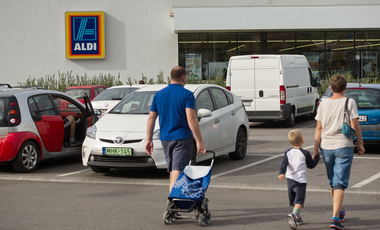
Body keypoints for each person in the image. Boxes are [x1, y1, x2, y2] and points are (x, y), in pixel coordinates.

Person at [314, 74, 365, 230]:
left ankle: (339, 210)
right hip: (344, 145)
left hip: (326, 147)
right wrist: (360, 144)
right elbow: (355, 125)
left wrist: (315, 149)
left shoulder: (322, 104)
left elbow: (319, 128)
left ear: (330, 88)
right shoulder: (350, 102)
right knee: (339, 183)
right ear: (345, 88)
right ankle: (335, 218)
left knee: (332, 181)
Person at [145, 66, 206, 192]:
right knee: (178, 171)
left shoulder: (159, 94)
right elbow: (192, 119)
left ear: (171, 77)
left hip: (165, 139)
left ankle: (173, 204)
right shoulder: (187, 95)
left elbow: (151, 118)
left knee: (173, 171)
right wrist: (199, 141)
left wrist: (149, 139)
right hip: (182, 138)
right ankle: (173, 202)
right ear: (183, 77)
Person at [279, 129, 319, 230]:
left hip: (290, 180)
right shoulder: (305, 153)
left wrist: (281, 173)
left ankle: (297, 218)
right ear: (302, 140)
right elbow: (311, 165)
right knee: (299, 201)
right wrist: (317, 158)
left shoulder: (288, 152)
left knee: (294, 201)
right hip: (300, 181)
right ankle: (294, 214)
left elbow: (284, 163)